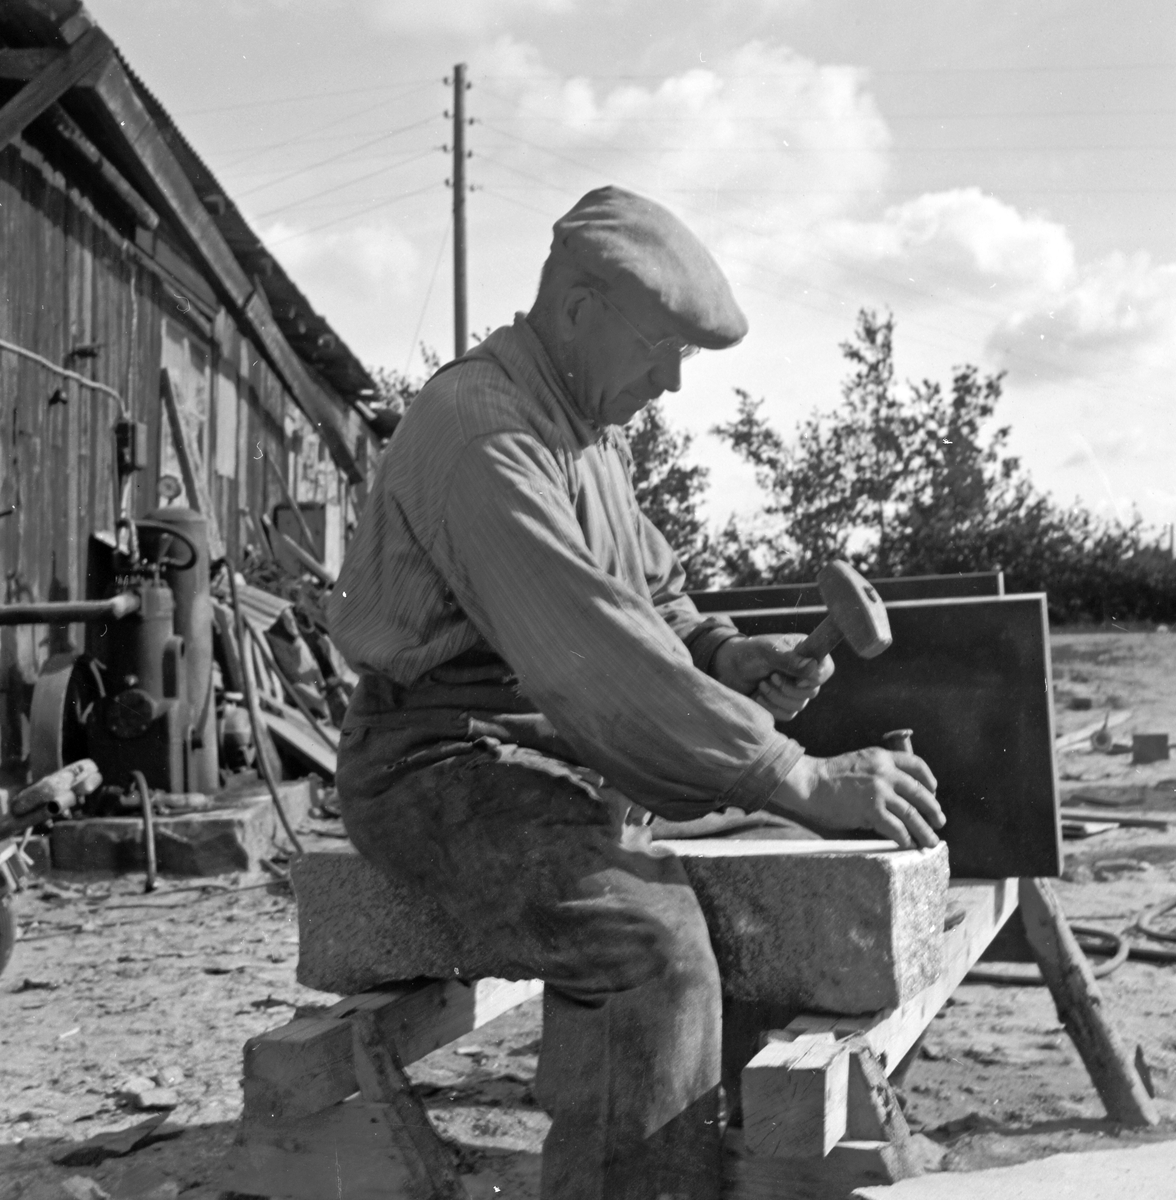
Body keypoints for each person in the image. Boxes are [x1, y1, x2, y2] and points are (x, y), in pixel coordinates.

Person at [328, 185, 944, 1200]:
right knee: (650, 949)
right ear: (579, 311)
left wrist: (724, 653)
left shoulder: (584, 426)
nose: (672, 381)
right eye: (662, 349)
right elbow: (592, 653)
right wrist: (796, 772)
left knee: (779, 874)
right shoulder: (483, 428)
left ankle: (716, 1161)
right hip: (440, 769)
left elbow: (651, 597)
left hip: (557, 757)